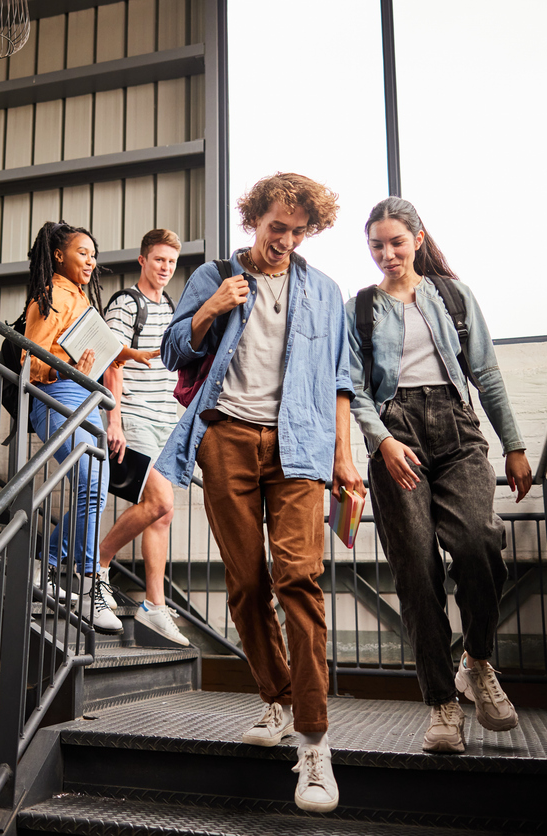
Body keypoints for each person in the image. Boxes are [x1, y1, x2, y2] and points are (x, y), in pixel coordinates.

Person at [156, 173, 362, 814]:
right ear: (254, 220)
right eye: (278, 228)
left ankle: (314, 742)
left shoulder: (325, 292)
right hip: (226, 440)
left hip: (300, 449)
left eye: (298, 233)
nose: (286, 241)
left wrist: (344, 454)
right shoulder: (211, 274)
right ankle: (276, 699)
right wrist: (213, 306)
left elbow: (341, 379)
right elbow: (170, 350)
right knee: (246, 585)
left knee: (298, 579)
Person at [345, 196, 533, 755]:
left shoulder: (453, 296)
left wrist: (515, 445)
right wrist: (382, 442)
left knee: (479, 543)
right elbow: (353, 388)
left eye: (396, 242)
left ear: (418, 239)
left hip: (458, 430)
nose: (387, 253)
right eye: (376, 245)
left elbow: (486, 374)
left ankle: (476, 662)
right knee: (417, 574)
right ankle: (441, 705)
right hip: (395, 435)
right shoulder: (362, 308)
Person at [22, 221, 156, 635]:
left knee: (95, 486)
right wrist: (69, 369)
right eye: (83, 252)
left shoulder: (79, 297)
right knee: (91, 478)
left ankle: (52, 569)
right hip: (59, 394)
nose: (91, 260)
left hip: (86, 396)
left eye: (94, 254)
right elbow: (33, 359)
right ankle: (83, 582)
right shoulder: (52, 296)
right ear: (59, 256)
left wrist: (129, 353)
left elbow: (96, 344)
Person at [99, 228, 188, 646]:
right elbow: (112, 361)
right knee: (159, 501)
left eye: (171, 262)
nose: (165, 268)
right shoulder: (126, 303)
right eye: (158, 260)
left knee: (163, 514)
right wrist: (112, 419)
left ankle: (155, 605)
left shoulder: (169, 306)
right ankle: (98, 562)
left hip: (163, 419)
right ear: (142, 260)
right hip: (132, 415)